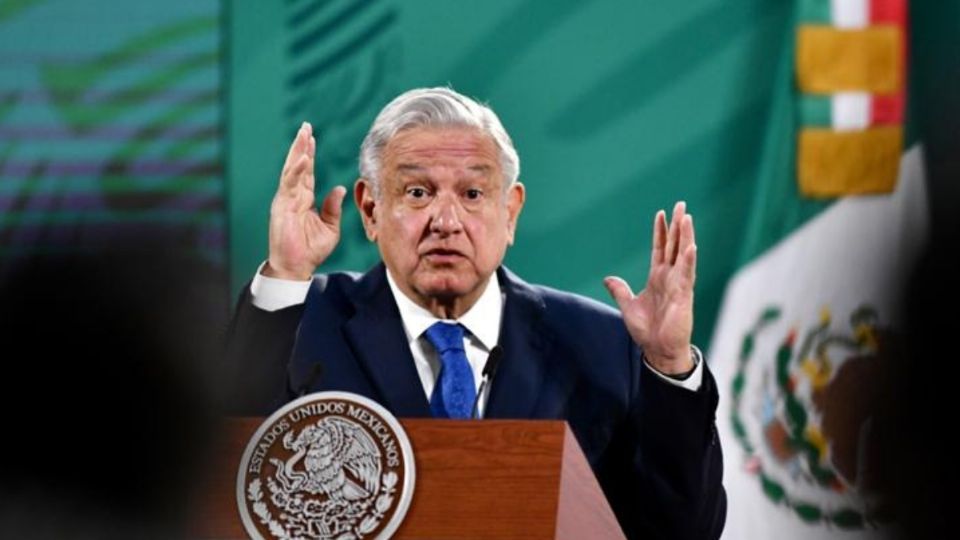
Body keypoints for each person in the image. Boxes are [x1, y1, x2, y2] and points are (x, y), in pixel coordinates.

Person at [226, 87, 726, 539]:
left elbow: (685, 532)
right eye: (418, 193)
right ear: (371, 210)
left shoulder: (604, 345)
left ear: (509, 212)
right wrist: (285, 276)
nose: (446, 222)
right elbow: (222, 483)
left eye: (471, 194)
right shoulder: (306, 322)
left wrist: (669, 364)